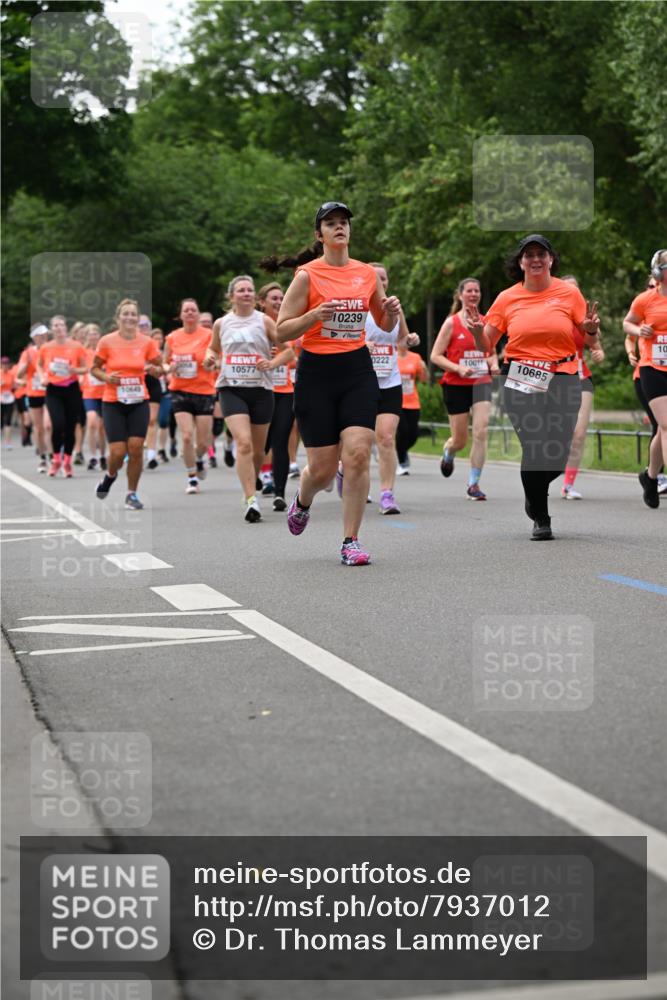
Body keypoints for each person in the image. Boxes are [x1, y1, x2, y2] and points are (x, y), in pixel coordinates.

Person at [266, 201, 401, 564]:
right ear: (319, 234)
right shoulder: (307, 276)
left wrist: (389, 314)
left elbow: (383, 325)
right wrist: (312, 315)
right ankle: (303, 499)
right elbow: (281, 330)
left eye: (344, 223)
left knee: (357, 452)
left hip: (356, 368)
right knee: (323, 471)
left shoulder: (366, 273)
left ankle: (350, 541)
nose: (339, 228)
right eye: (331, 223)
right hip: (316, 374)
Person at [472, 234, 600, 540]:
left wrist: (592, 332)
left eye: (541, 254)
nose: (536, 259)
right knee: (534, 446)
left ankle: (534, 490)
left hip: (564, 373)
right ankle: (541, 518)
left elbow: (590, 337)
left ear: (551, 260)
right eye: (529, 255)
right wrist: (478, 333)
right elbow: (486, 344)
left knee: (559, 450)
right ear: (520, 262)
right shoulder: (506, 298)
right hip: (521, 375)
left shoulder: (569, 294)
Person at [206, 276, 281, 522]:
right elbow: (213, 348)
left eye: (250, 289)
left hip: (260, 389)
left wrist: (272, 362)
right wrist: (209, 358)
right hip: (231, 388)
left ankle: (251, 480)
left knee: (258, 451)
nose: (247, 293)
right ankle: (251, 499)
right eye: (241, 290)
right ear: (232, 296)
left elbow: (288, 349)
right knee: (244, 443)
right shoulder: (222, 323)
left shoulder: (264, 320)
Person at [355, 262, 420, 514]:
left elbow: (402, 338)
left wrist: (410, 339)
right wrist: (363, 344)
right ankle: (346, 474)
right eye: (375, 277)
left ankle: (387, 494)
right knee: (360, 443)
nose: (380, 281)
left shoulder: (394, 307)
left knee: (386, 437)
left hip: (390, 381)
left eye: (384, 277)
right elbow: (341, 338)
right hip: (360, 382)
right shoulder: (358, 306)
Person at [431, 277, 499, 500]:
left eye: (476, 291)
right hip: (456, 384)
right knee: (460, 440)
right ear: (460, 295)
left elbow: (491, 351)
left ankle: (473, 483)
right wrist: (457, 368)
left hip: (481, 383)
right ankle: (449, 452)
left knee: (481, 430)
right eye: (469, 291)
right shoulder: (452, 322)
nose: (473, 294)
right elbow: (435, 356)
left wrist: (494, 363)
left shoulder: (486, 321)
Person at [90, 299, 162, 509]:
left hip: (139, 400)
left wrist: (158, 370)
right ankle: (110, 476)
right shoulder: (106, 341)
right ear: (118, 318)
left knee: (136, 447)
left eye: (133, 314)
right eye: (126, 314)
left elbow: (160, 365)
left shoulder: (146, 342)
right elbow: (94, 368)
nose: (130, 317)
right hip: (113, 402)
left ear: (138, 318)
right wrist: (106, 377)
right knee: (119, 452)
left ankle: (132, 493)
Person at [623, 249, 667, 508]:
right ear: (658, 271)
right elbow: (627, 324)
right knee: (666, 425)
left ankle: (650, 477)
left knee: (662, 429)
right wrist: (640, 329)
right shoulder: (645, 300)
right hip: (652, 369)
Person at [558, 276, 605, 499]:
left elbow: (595, 342)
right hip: (554, 379)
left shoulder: (584, 316)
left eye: (576, 289)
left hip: (580, 376)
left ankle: (568, 485)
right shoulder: (552, 316)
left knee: (579, 433)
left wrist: (599, 351)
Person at [164, 298, 217, 494]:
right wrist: (169, 368)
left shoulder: (209, 335)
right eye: (186, 310)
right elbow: (163, 363)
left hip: (204, 391)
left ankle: (199, 458)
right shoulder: (172, 338)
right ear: (180, 315)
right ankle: (192, 477)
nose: (190, 313)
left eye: (193, 310)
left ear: (198, 313)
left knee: (202, 443)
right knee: (186, 437)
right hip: (180, 390)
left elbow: (216, 357)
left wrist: (212, 362)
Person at [258, 282, 298, 511]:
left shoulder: (291, 321)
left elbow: (294, 352)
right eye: (273, 298)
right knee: (260, 443)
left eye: (281, 297)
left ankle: (279, 493)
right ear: (262, 302)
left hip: (285, 390)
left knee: (280, 440)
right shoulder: (253, 324)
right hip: (259, 390)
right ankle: (257, 475)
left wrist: (278, 361)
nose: (279, 301)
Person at [37, 315, 88, 478]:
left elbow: (85, 368)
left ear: (66, 328)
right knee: (57, 424)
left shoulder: (77, 346)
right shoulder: (46, 347)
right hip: (53, 390)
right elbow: (38, 365)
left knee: (70, 426)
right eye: (55, 325)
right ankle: (56, 460)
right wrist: (42, 377)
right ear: (52, 330)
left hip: (71, 388)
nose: (59, 328)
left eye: (61, 325)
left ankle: (67, 461)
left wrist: (75, 371)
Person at [17, 324, 52, 472]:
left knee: (48, 426)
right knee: (38, 429)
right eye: (40, 335)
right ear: (34, 337)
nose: (43, 338)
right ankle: (42, 457)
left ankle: (52, 455)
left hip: (50, 392)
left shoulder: (51, 349)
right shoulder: (28, 353)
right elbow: (19, 375)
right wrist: (28, 364)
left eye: (45, 335)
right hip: (33, 393)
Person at [395, 341, 428, 474]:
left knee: (413, 434)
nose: (403, 343)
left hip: (412, 401)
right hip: (396, 400)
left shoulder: (415, 357)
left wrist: (424, 368)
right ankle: (402, 462)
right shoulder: (391, 357)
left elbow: (424, 379)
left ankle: (401, 450)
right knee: (402, 431)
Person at [80, 324, 107, 471]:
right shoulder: (83, 352)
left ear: (99, 336)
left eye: (95, 333)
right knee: (91, 423)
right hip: (89, 393)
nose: (93, 336)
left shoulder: (105, 351)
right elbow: (78, 367)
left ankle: (103, 455)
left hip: (104, 393)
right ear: (86, 337)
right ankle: (92, 457)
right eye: (90, 334)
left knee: (102, 428)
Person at [1, 357, 16, 448]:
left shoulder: (11, 374)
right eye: (3, 364)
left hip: (9, 399)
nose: (5, 366)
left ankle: (8, 442)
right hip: (0, 399)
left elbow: (14, 384)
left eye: (6, 364)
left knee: (8, 421)